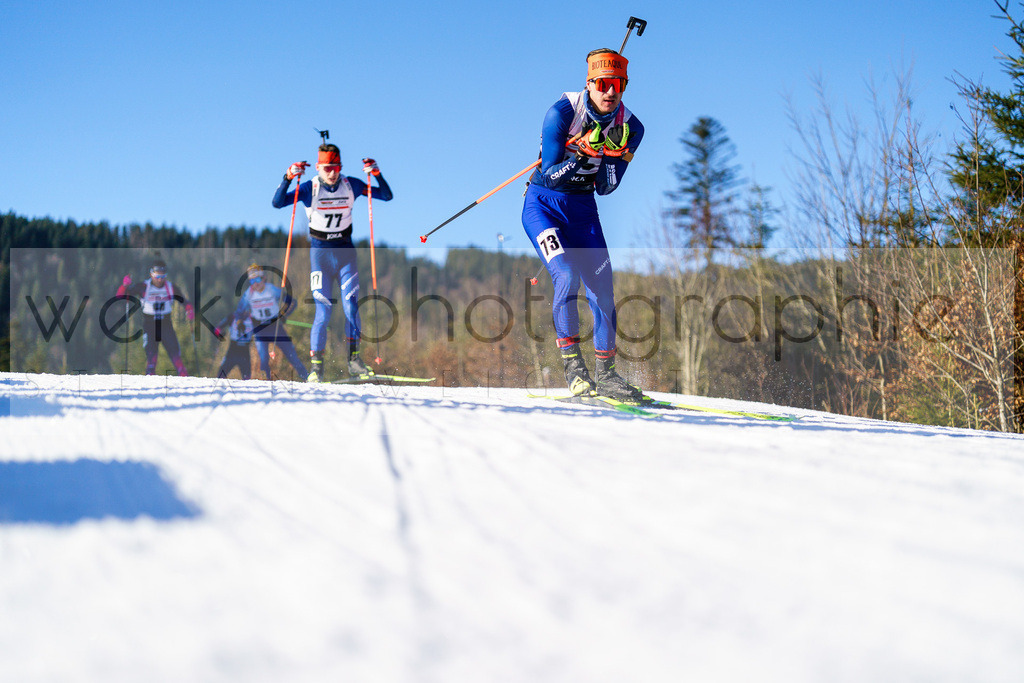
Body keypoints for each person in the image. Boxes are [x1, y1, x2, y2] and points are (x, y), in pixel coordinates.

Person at [521, 48, 646, 402]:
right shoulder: (560, 113)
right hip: (543, 205)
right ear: (589, 83)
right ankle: (574, 367)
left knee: (603, 288)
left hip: (584, 212)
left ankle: (606, 375)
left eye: (618, 85)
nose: (611, 92)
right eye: (604, 84)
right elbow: (551, 175)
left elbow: (606, 187)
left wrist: (607, 156)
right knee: (566, 275)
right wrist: (582, 155)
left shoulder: (631, 127)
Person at [272, 144, 393, 383]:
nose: (332, 173)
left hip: (346, 254)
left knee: (351, 306)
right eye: (327, 168)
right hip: (320, 256)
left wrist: (376, 174)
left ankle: (355, 362)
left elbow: (386, 196)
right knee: (324, 311)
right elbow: (278, 203)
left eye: (336, 167)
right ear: (318, 168)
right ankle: (317, 368)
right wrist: (287, 177)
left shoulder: (352, 185)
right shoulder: (310, 188)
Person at [116, 258, 194, 376]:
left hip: (165, 323)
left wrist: (189, 309)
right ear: (151, 274)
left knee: (174, 351)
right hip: (149, 324)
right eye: (157, 277)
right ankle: (150, 375)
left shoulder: (170, 287)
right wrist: (124, 285)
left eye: (163, 277)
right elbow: (121, 296)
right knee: (151, 352)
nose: (160, 280)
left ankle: (183, 374)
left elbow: (184, 301)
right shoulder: (143, 286)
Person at [231, 263, 308, 381]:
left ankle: (307, 378)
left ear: (263, 278)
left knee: (291, 355)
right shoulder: (248, 294)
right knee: (263, 358)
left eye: (258, 279)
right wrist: (240, 321)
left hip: (275, 327)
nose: (255, 284)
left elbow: (292, 302)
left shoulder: (271, 289)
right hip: (260, 330)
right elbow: (239, 312)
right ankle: (265, 384)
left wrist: (284, 314)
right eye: (252, 281)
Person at [213, 309, 255, 380]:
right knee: (247, 379)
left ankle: (219, 390)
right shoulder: (252, 318)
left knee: (220, 376)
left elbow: (217, 330)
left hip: (233, 352)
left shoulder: (232, 316)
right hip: (244, 353)